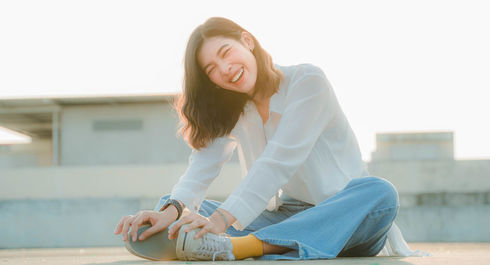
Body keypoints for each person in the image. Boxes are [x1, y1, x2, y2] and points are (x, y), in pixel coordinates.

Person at [114, 17, 424, 261]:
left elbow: (279, 160)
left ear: (246, 41)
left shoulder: (307, 82)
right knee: (182, 213)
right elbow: (202, 167)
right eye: (212, 69)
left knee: (380, 194)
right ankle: (202, 241)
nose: (225, 69)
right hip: (283, 217)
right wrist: (169, 212)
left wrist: (221, 222)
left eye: (226, 53)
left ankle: (238, 247)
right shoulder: (234, 109)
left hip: (342, 218)